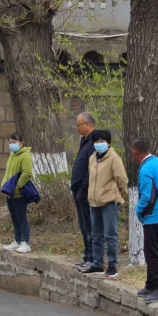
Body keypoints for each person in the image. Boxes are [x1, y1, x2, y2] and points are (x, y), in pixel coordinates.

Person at [132, 136, 158, 304]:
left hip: (153, 217)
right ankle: (151, 285)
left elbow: (147, 197)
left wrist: (139, 211)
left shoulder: (146, 169)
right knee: (156, 253)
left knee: (153, 255)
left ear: (135, 152)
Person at [82, 130, 128, 279]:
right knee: (96, 235)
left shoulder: (114, 158)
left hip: (109, 201)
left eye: (102, 141)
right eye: (96, 142)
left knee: (110, 235)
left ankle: (113, 264)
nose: (99, 144)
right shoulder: (92, 158)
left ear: (108, 143)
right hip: (94, 202)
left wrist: (120, 195)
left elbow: (122, 179)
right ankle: (97, 263)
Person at [71, 112, 96, 271]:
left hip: (85, 190)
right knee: (83, 225)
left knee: (89, 225)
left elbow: (92, 168)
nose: (77, 128)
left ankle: (92, 257)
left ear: (87, 124)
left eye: (79, 125)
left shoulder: (94, 141)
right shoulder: (84, 140)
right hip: (78, 189)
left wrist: (83, 188)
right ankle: (87, 255)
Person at [1, 133, 34, 254]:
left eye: (14, 142)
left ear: (21, 143)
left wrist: (17, 185)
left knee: (21, 217)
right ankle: (18, 240)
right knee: (14, 218)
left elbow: (27, 172)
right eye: (10, 142)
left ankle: (26, 242)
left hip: (18, 193)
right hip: (9, 192)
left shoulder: (25, 155)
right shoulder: (12, 154)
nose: (12, 144)